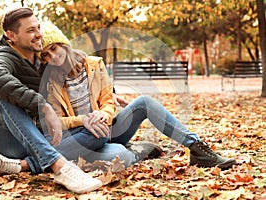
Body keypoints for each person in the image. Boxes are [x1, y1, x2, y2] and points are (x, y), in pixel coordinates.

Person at [39, 22, 237, 170]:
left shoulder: (95, 64)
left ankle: (196, 147)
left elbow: (108, 100)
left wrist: (103, 115)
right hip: (84, 139)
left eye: (54, 49)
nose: (52, 57)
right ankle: (137, 151)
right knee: (121, 156)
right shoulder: (51, 83)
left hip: (109, 128)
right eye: (45, 55)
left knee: (145, 102)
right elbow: (58, 121)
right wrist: (82, 120)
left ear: (63, 44)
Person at [0, 7, 103, 194]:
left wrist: (109, 91)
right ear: (11, 36)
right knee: (2, 97)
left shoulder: (41, 57)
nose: (39, 34)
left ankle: (22, 165)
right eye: (31, 31)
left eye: (38, 28)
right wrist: (43, 106)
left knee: (98, 131)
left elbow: (72, 66)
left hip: (35, 138)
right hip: (6, 143)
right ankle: (59, 166)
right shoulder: (4, 56)